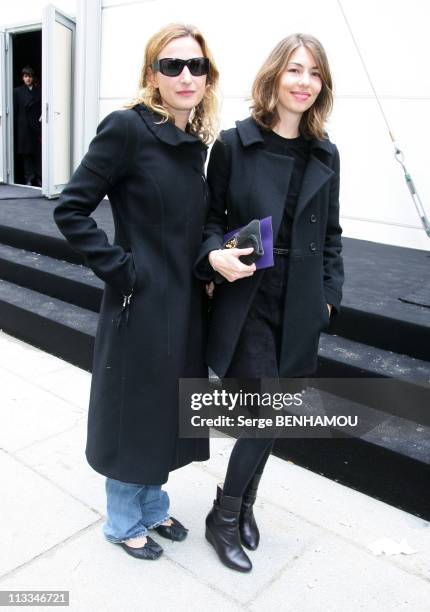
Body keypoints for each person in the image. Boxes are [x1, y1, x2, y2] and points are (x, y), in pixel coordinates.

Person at [53, 23, 219, 560]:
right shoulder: (127, 128)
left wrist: (210, 263)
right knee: (136, 411)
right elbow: (71, 206)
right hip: (141, 302)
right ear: (152, 74)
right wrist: (122, 270)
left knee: (167, 409)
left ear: (208, 75)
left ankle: (152, 506)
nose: (185, 75)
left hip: (186, 302)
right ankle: (124, 520)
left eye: (196, 65)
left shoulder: (195, 142)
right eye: (172, 65)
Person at [194, 33, 344, 572]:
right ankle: (225, 517)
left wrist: (330, 298)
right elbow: (210, 220)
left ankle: (244, 505)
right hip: (249, 293)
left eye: (314, 73)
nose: (304, 82)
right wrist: (215, 257)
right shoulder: (236, 143)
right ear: (275, 76)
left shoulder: (326, 152)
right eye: (295, 70)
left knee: (276, 415)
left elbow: (332, 236)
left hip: (301, 300)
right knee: (264, 413)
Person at [13, 66, 42, 186]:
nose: (28, 79)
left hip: (36, 126)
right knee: (26, 154)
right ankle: (29, 178)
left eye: (29, 76)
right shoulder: (17, 91)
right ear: (22, 78)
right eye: (25, 76)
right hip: (23, 127)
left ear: (32, 77)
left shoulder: (39, 90)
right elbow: (15, 110)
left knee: (37, 153)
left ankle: (39, 177)